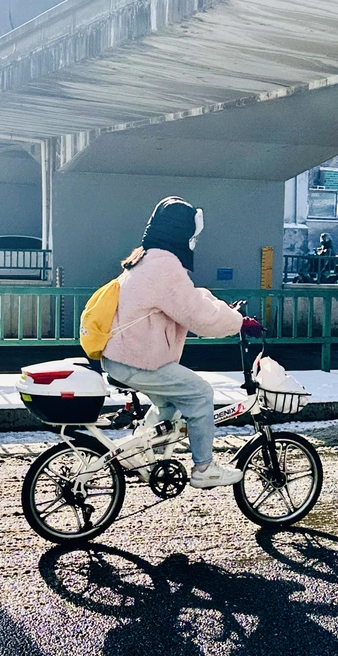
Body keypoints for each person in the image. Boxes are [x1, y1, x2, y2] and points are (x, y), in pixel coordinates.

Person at [102, 197, 262, 489]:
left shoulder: (147, 259)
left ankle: (138, 453)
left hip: (123, 355)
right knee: (200, 394)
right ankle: (204, 468)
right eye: (192, 234)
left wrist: (226, 311)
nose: (194, 241)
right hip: (138, 360)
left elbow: (189, 298)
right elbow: (197, 315)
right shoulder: (165, 267)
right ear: (181, 233)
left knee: (170, 404)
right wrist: (239, 323)